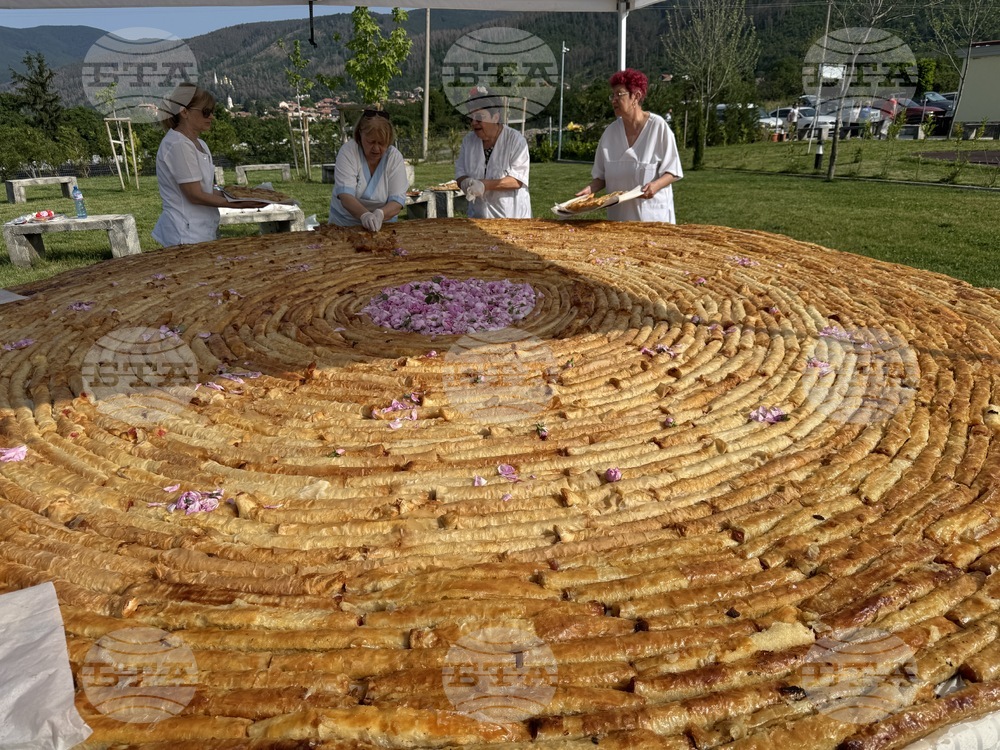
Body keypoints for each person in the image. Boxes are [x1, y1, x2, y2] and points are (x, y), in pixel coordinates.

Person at [152, 83, 256, 246]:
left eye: (212, 112)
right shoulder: (178, 145)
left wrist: (242, 195)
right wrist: (239, 204)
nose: (211, 117)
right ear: (184, 112)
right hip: (185, 232)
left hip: (200, 229)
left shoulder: (199, 143)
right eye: (206, 112)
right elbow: (195, 195)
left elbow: (205, 189)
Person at [576, 68, 683, 223]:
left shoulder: (658, 127)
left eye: (619, 94)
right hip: (618, 222)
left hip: (653, 221)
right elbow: (601, 177)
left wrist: (656, 185)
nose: (613, 100)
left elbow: (673, 171)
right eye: (612, 95)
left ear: (636, 96)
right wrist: (589, 191)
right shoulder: (610, 133)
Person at [455, 87, 531, 219]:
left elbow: (517, 180)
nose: (473, 123)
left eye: (479, 118)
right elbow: (460, 174)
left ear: (495, 117)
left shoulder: (515, 140)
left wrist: (484, 185)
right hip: (478, 216)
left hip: (511, 217)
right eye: (471, 118)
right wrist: (465, 182)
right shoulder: (468, 141)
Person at [329, 110, 408, 232]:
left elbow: (397, 201)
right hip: (345, 225)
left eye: (382, 143)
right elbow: (345, 195)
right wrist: (365, 215)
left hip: (383, 226)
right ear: (360, 135)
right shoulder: (348, 152)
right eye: (371, 142)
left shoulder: (394, 157)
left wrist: (380, 214)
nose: (376, 148)